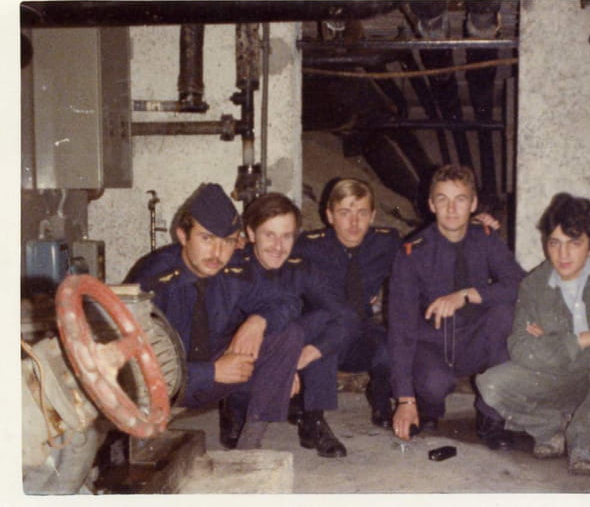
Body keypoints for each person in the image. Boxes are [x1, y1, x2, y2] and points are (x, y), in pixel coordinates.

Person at [124, 183, 303, 449]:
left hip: (216, 373)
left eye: (227, 241)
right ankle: (137, 438)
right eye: (207, 239)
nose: (217, 253)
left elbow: (288, 301)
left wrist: (257, 322)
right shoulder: (154, 280)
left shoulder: (233, 269)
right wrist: (212, 372)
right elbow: (133, 364)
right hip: (162, 385)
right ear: (182, 235)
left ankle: (249, 447)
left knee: (288, 334)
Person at [476, 192, 590, 475]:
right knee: (490, 385)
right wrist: (584, 339)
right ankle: (550, 429)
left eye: (574, 244)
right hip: (560, 378)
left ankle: (583, 441)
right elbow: (521, 349)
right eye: (555, 243)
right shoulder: (533, 285)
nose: (563, 255)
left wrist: (550, 341)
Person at [388, 164, 525, 449]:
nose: (451, 209)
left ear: (473, 204)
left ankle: (491, 415)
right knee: (434, 384)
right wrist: (404, 399)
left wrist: (468, 294)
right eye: (443, 199)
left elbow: (519, 283)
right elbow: (401, 327)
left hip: (475, 340)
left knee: (506, 315)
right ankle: (428, 408)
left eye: (460, 199)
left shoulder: (485, 238)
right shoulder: (413, 253)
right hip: (433, 344)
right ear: (431, 205)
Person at [233, 192, 356, 458]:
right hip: (239, 363)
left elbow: (346, 315)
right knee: (292, 331)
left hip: (284, 349)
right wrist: (281, 362)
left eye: (287, 236)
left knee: (323, 320)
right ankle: (237, 417)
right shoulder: (234, 266)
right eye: (269, 235)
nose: (278, 246)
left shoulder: (300, 268)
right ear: (251, 233)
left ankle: (313, 419)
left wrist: (310, 352)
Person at [293, 178, 401, 428]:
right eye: (344, 213)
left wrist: (473, 224)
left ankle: (381, 398)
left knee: (390, 345)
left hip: (360, 332)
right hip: (324, 332)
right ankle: (311, 416)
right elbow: (271, 259)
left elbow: (426, 246)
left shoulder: (386, 242)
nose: (354, 223)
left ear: (372, 215)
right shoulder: (308, 246)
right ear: (329, 216)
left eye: (361, 213)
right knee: (320, 343)